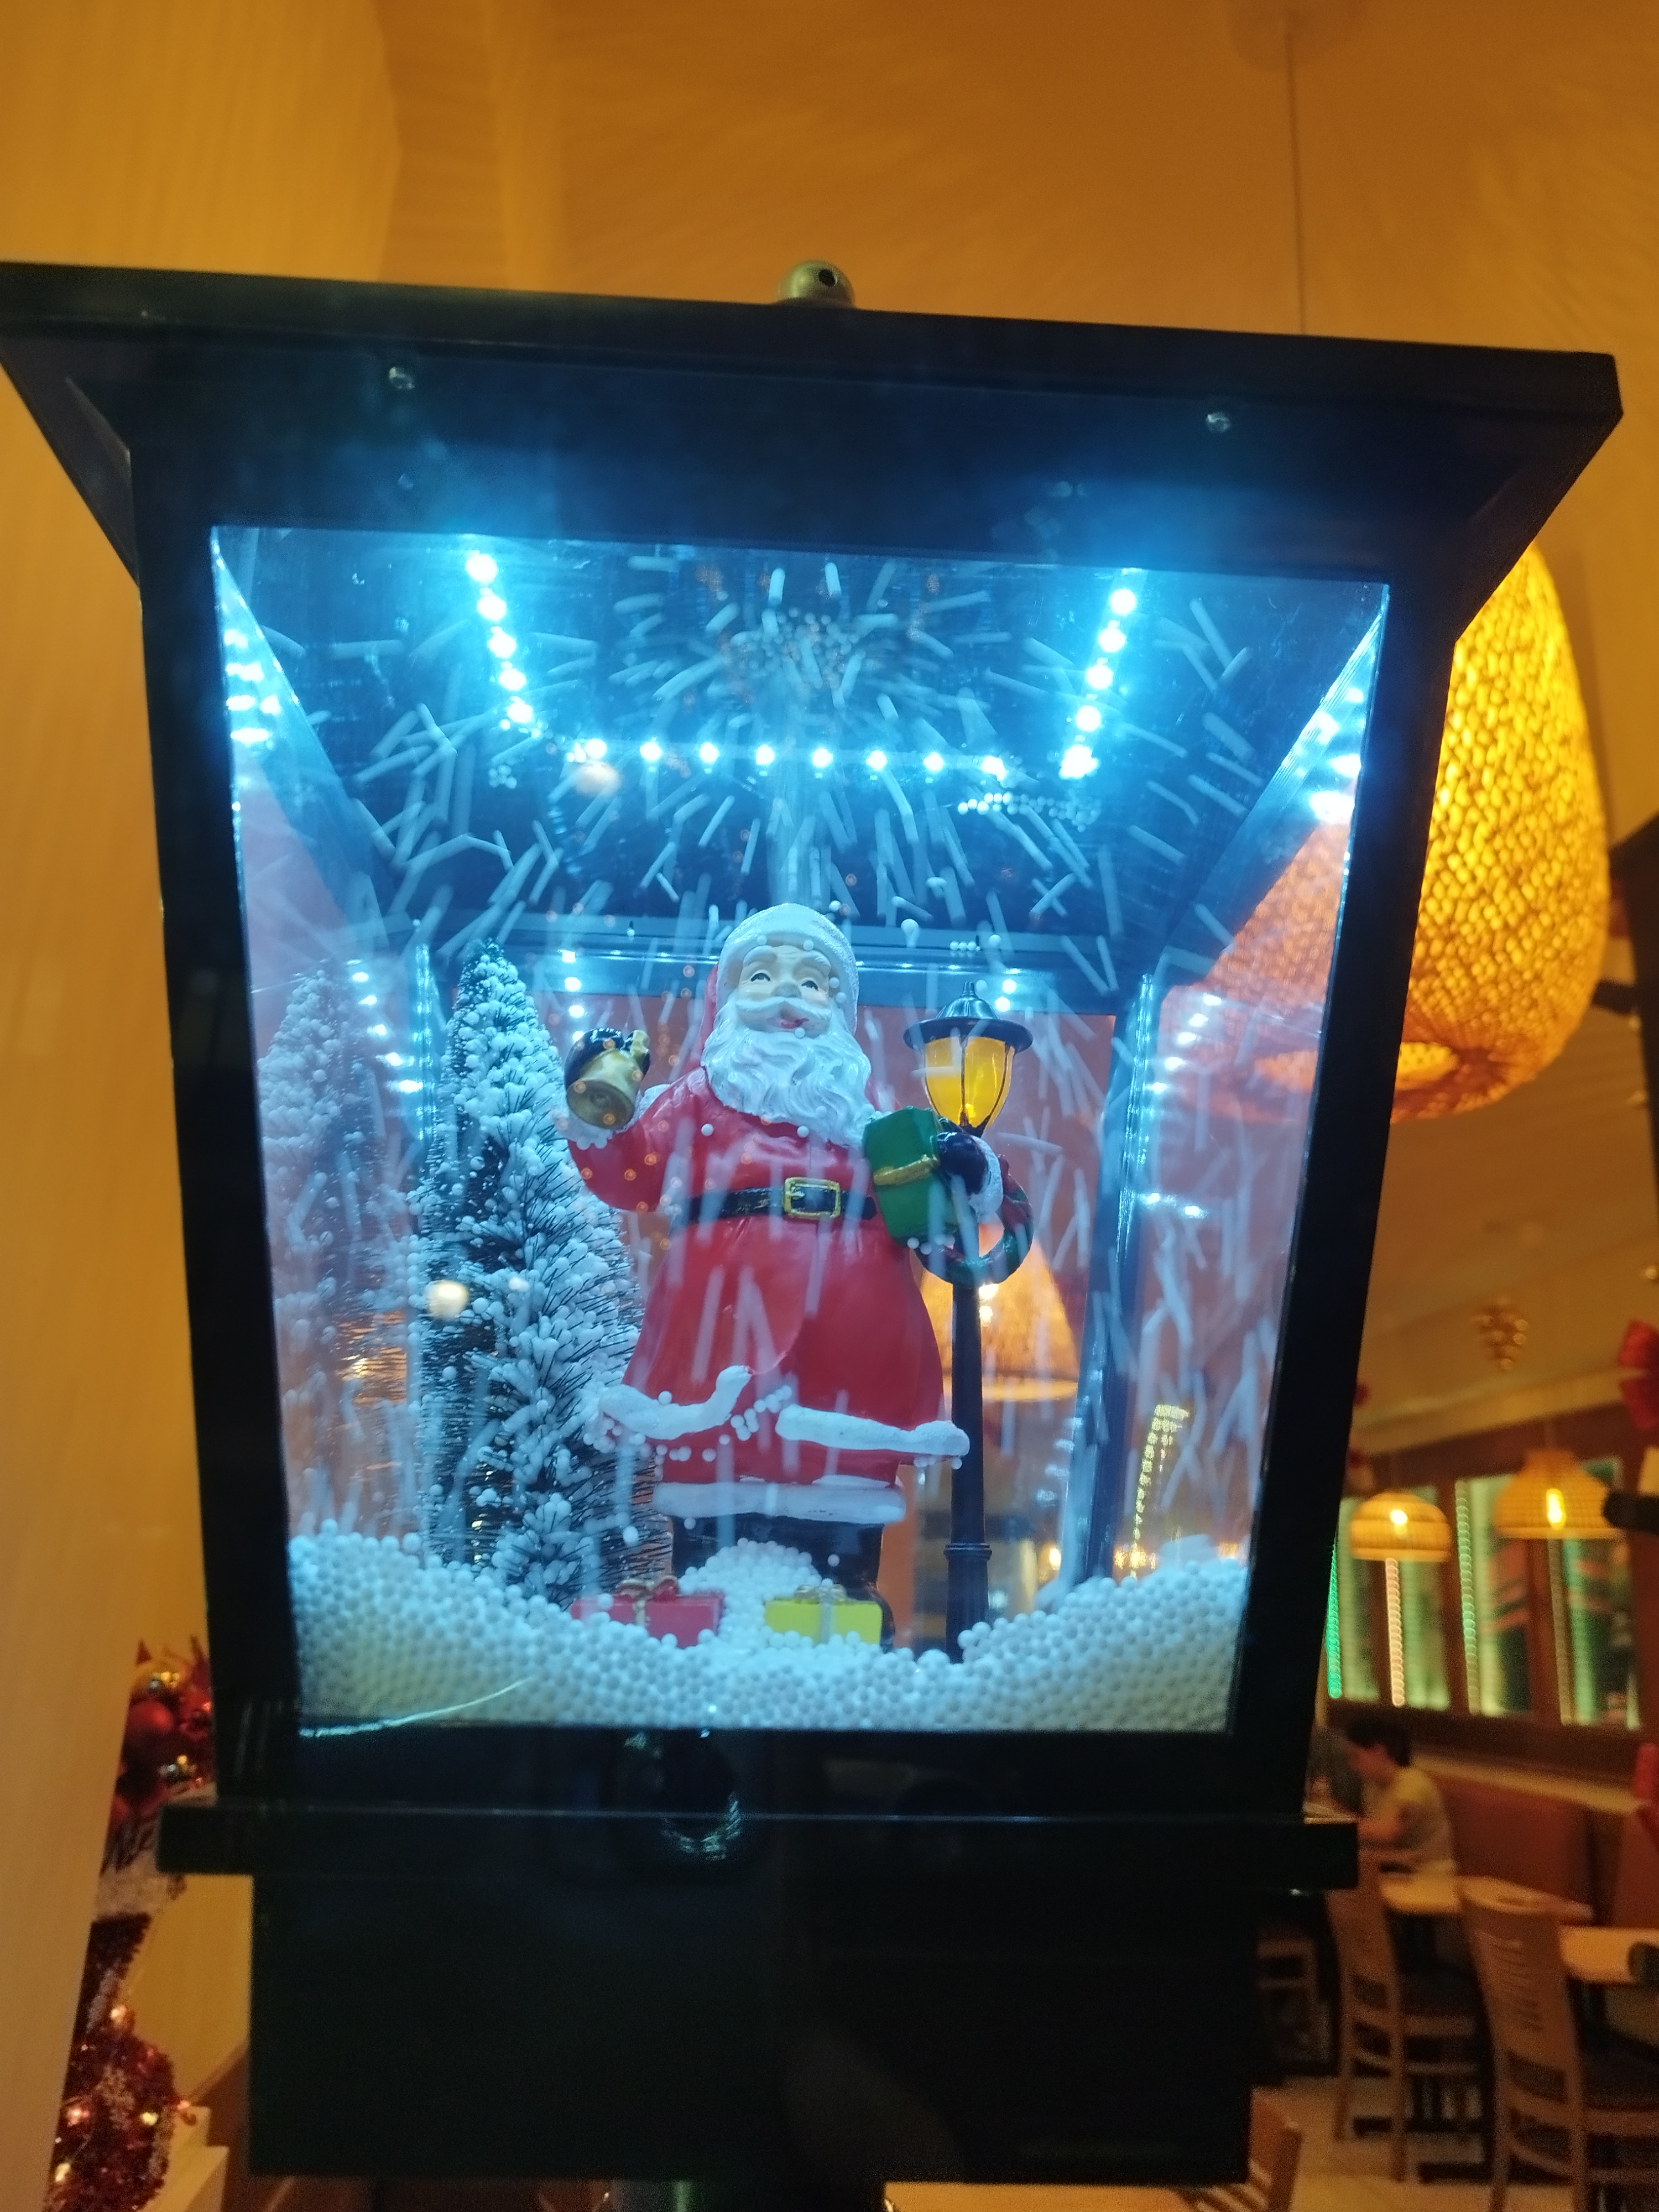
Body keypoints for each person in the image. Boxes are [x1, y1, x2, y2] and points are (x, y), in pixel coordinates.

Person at [563, 902, 1001, 1595]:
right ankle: (714, 1599)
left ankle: (842, 1605)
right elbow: (633, 1175)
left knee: (844, 1487)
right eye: (763, 976)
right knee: (717, 1480)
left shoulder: (867, 1120)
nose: (788, 995)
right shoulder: (699, 1100)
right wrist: (599, 1110)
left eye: (812, 981)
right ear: (730, 999)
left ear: (838, 1009)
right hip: (722, 1324)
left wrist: (967, 1168)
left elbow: (938, 1215)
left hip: (856, 1328)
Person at [1342, 1713, 1457, 1871]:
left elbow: (1387, 1832)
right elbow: (1376, 1837)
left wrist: (1335, 1826)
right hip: (1397, 1868)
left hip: (1429, 1872)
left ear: (1379, 1752)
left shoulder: (1413, 1784)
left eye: (1355, 1757)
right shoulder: (1372, 1785)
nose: (1351, 1764)